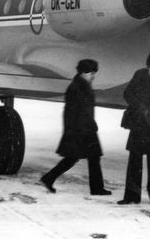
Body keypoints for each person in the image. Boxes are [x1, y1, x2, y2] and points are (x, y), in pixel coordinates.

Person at [40, 59, 111, 196]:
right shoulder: (76, 88)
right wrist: (79, 130)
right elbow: (74, 113)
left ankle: (96, 188)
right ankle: (49, 178)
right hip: (80, 130)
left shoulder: (82, 85)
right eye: (92, 73)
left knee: (90, 157)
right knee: (75, 158)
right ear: (84, 72)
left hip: (86, 128)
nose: (93, 76)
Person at [118, 51, 150, 206]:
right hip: (139, 126)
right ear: (147, 66)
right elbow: (127, 93)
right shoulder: (139, 75)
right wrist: (140, 107)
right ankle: (132, 195)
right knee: (134, 162)